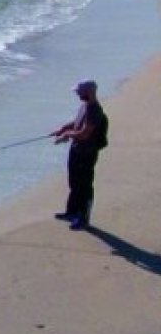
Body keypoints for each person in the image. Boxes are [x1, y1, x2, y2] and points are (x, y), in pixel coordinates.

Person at [53, 79, 110, 229]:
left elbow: (84, 133)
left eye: (79, 92)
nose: (77, 94)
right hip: (77, 150)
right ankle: (71, 212)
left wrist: (67, 135)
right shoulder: (85, 105)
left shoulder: (95, 110)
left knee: (84, 186)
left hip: (87, 153)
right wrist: (63, 129)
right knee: (74, 182)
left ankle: (83, 218)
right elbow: (76, 123)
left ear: (88, 92)